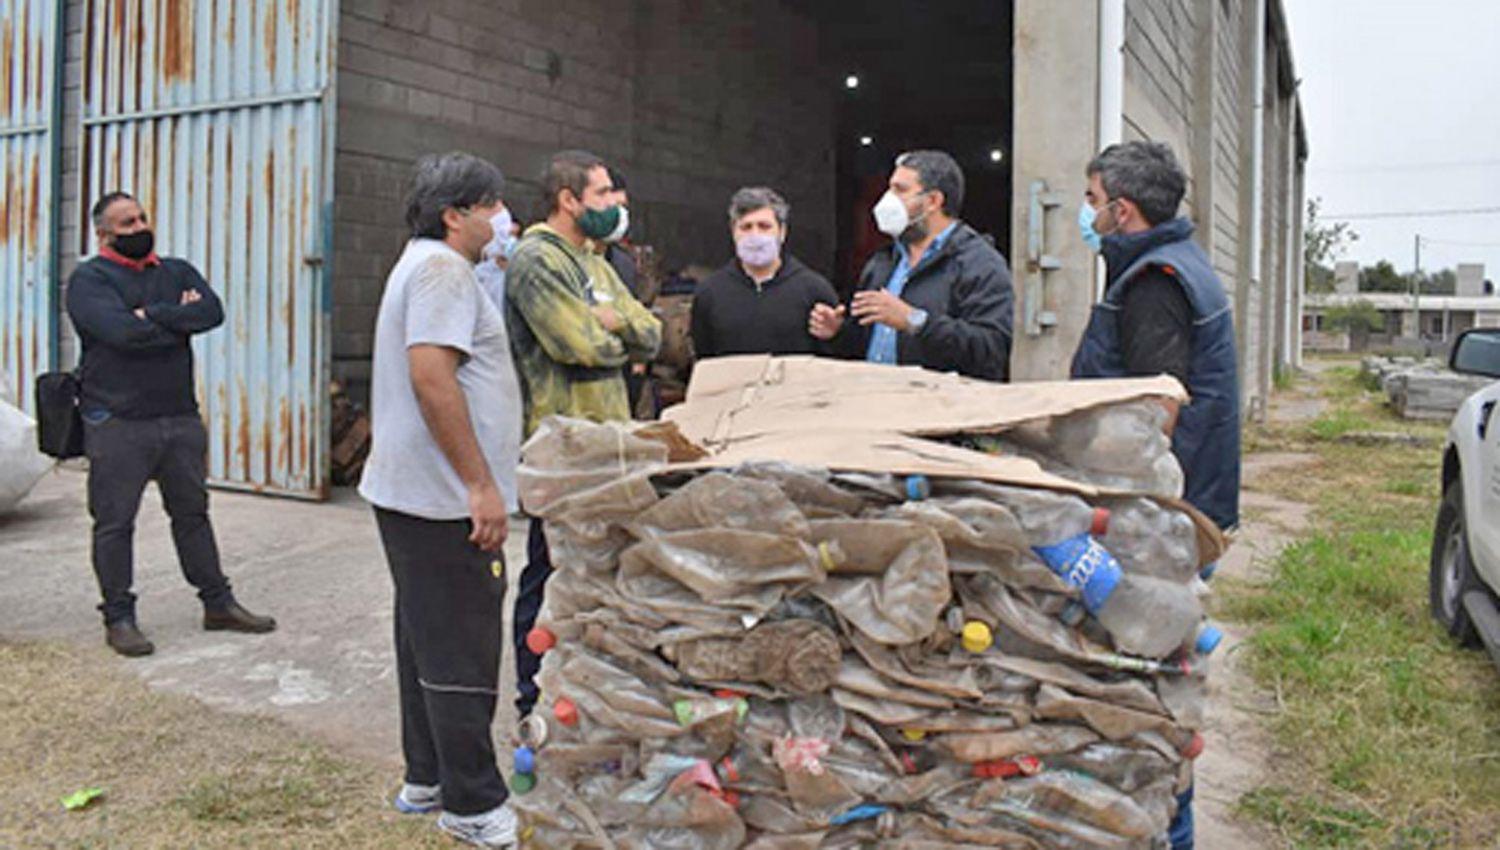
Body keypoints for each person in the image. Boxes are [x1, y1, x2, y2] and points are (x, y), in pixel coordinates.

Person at [1071, 140, 1241, 850]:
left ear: (1122, 210)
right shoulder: (1170, 265)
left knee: (1151, 695)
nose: (1086, 215)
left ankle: (1170, 833)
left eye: (1091, 201)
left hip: (1158, 526)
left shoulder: (1154, 283)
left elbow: (1155, 412)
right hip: (1172, 513)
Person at [357, 152, 523, 848]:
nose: (502, 219)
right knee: (462, 645)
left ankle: (426, 777)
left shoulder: (425, 264)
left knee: (425, 634)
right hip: (442, 498)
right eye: (492, 206)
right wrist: (480, 485)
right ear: (456, 215)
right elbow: (432, 377)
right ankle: (474, 803)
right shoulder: (442, 271)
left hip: (413, 493)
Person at [66, 192, 275, 658]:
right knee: (115, 522)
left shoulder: (175, 271)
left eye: (142, 218)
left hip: (179, 416)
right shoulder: (89, 280)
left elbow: (211, 312)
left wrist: (154, 315)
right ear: (103, 235)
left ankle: (217, 604)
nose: (140, 227)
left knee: (192, 514)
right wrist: (175, 322)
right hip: (117, 420)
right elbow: (121, 333)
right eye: (127, 223)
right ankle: (119, 617)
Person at [505, 150, 661, 720]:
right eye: (602, 194)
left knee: (595, 573)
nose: (614, 205)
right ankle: (532, 696)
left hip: (606, 444)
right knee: (550, 571)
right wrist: (621, 335)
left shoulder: (594, 261)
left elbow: (653, 332)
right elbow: (580, 346)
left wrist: (621, 324)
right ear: (568, 200)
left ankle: (583, 690)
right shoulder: (537, 261)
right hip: (561, 448)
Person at [809, 149, 1014, 381]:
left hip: (940, 401)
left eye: (900, 190)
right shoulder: (884, 261)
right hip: (876, 396)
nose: (888, 199)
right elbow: (865, 341)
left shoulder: (979, 264)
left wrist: (914, 321)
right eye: (890, 188)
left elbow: (991, 349)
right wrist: (838, 332)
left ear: (933, 201)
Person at [691, 186, 840, 359]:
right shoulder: (710, 293)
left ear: (782, 232)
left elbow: (836, 357)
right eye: (746, 227)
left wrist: (837, 334)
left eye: (764, 226)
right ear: (733, 232)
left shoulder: (814, 290)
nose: (755, 235)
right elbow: (705, 358)